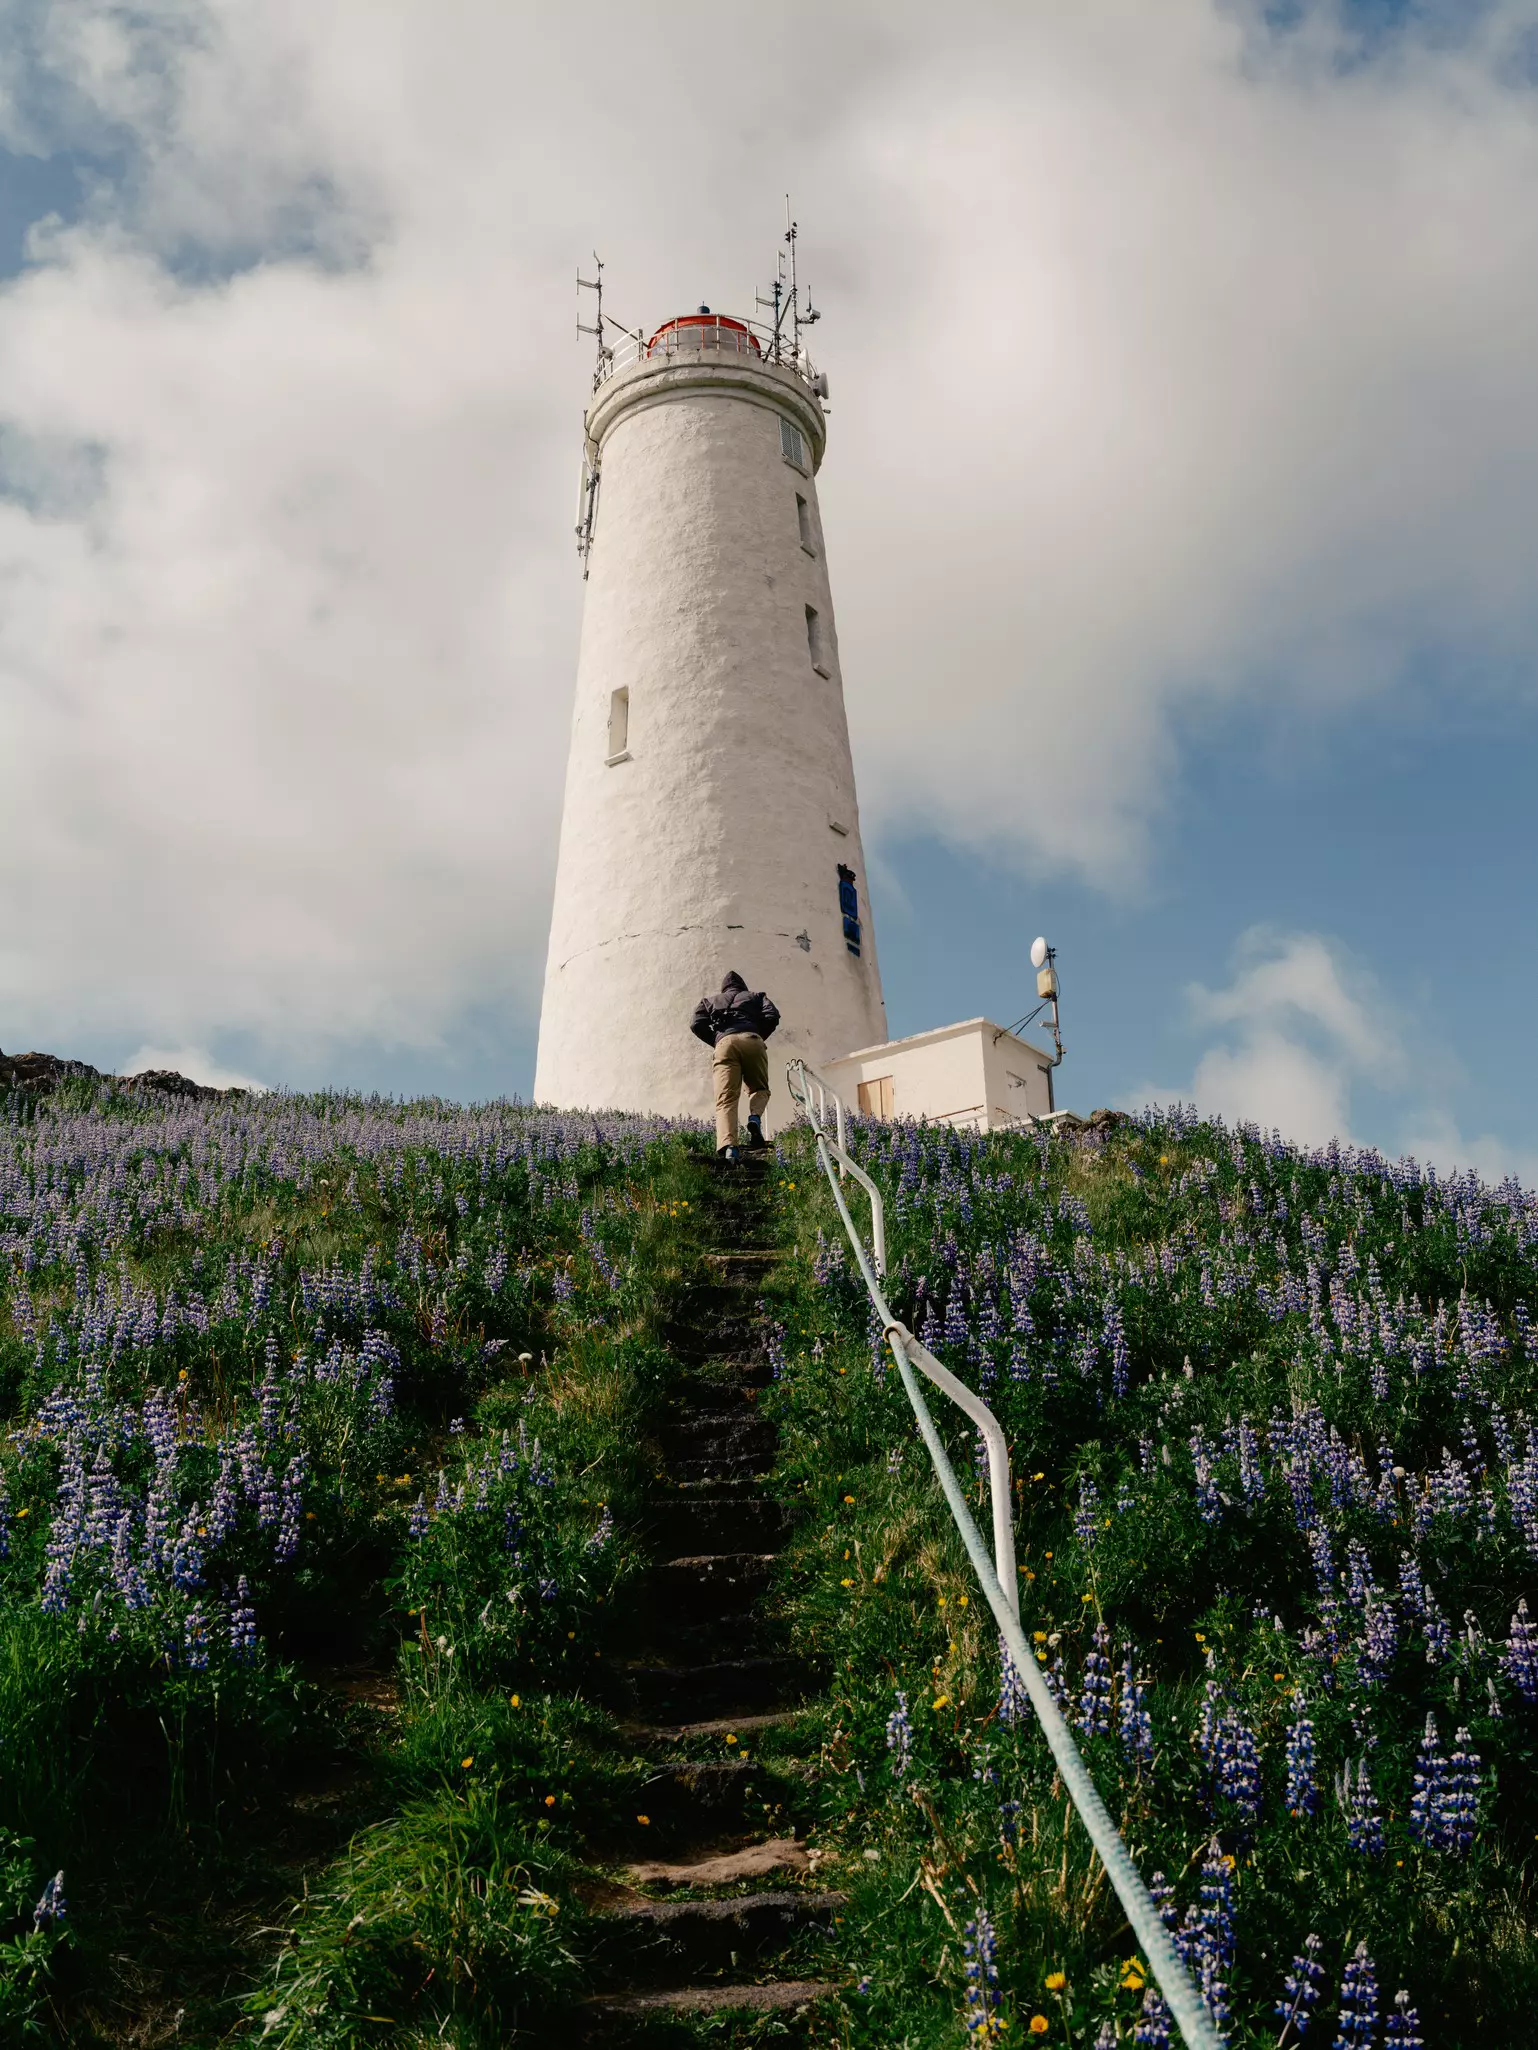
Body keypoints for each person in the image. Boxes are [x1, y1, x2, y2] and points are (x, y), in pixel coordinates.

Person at [690, 970, 780, 1158]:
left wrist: (716, 1039)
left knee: (726, 1099)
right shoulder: (757, 996)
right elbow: (772, 1015)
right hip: (752, 1039)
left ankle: (730, 1147)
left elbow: (696, 1023)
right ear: (742, 987)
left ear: (724, 988)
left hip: (725, 1044)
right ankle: (754, 1117)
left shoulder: (709, 1001)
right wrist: (757, 1034)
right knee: (759, 1088)